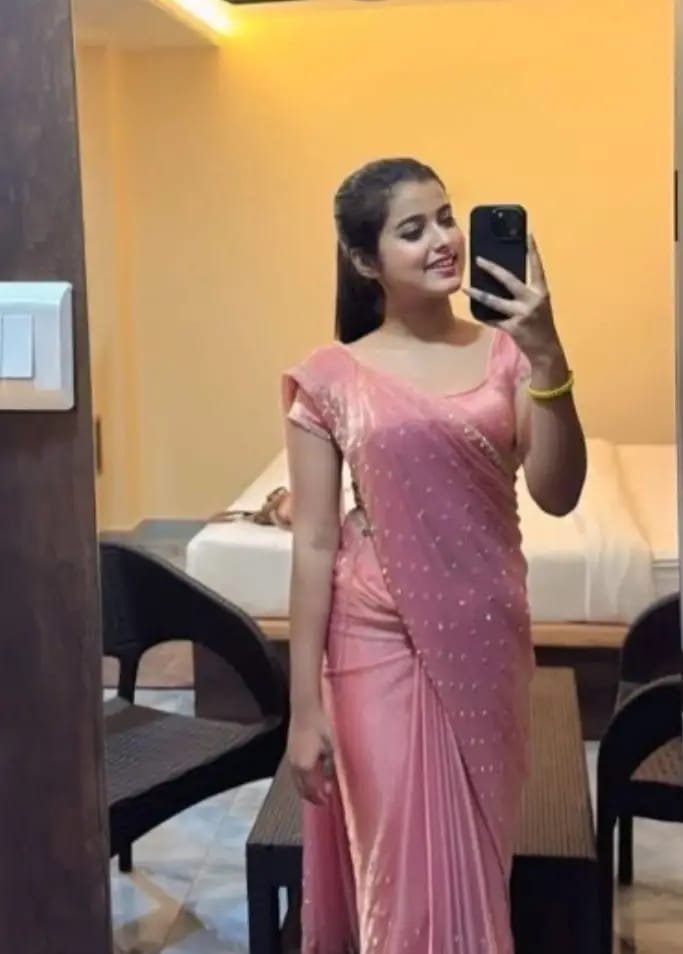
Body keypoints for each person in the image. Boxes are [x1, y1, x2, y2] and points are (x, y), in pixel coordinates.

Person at [281, 158, 586, 954]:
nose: (444, 240)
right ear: (364, 261)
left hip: (486, 637)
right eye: (412, 230)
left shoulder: (506, 355)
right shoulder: (331, 377)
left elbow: (556, 493)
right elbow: (313, 543)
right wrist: (302, 708)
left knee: (477, 861)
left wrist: (549, 360)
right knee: (401, 875)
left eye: (446, 218)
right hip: (374, 642)